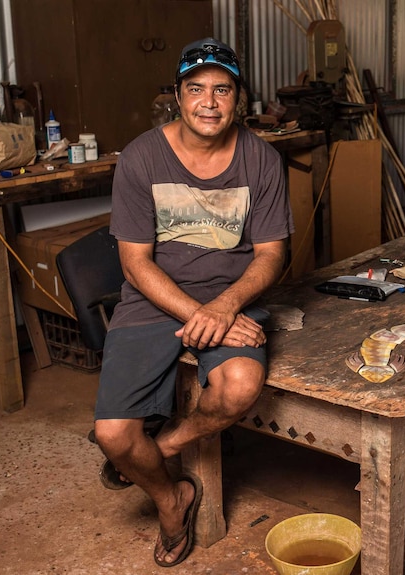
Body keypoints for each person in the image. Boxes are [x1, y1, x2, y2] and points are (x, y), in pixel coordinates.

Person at [93, 37, 293, 567]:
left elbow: (272, 255)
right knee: (114, 435)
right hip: (153, 298)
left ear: (238, 98)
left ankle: (166, 450)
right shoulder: (141, 157)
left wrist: (225, 309)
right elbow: (136, 263)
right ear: (178, 96)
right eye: (196, 89)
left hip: (232, 295)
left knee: (240, 386)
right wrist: (204, 318)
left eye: (222, 90)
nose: (209, 102)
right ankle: (171, 497)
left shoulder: (262, 159)